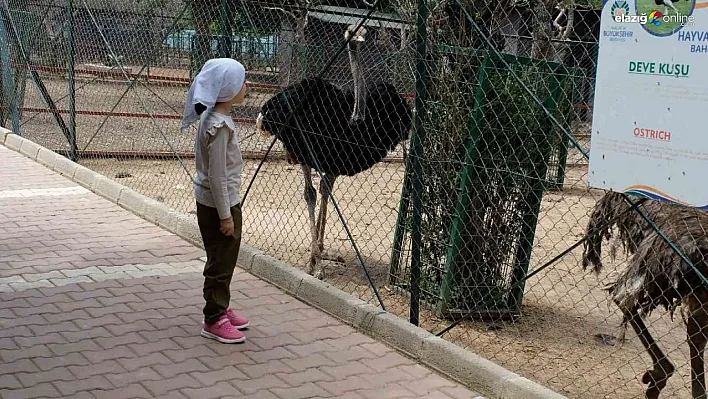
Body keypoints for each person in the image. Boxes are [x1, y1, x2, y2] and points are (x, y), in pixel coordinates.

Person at [180, 58, 250, 344]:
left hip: (216, 201)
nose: (247, 86)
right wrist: (226, 216)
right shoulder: (218, 127)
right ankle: (214, 318)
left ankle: (222, 305)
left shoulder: (213, 117)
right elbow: (218, 176)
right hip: (220, 204)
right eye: (242, 82)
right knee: (221, 260)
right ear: (228, 88)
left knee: (225, 257)